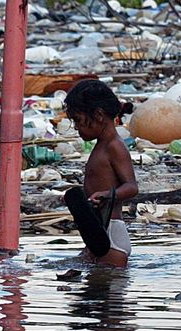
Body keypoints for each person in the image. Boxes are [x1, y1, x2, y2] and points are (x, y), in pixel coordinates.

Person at [64, 79, 138, 267]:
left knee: (107, 291)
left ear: (98, 115)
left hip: (110, 235)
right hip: (98, 233)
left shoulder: (115, 146)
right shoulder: (101, 146)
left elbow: (132, 187)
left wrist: (107, 195)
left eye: (79, 121)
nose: (76, 128)